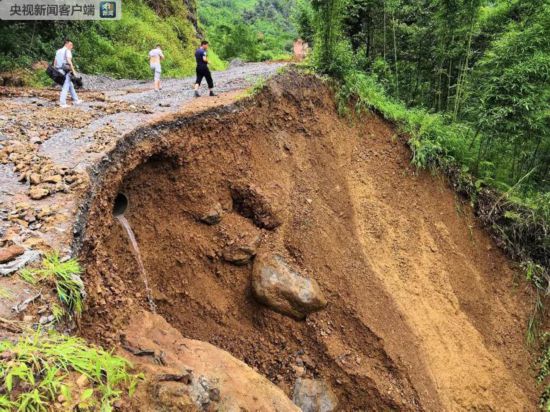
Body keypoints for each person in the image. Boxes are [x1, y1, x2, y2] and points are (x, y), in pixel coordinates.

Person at [54, 39, 82, 108]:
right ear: (66, 44)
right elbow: (69, 62)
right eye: (70, 45)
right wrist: (74, 71)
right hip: (65, 71)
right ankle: (62, 103)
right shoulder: (67, 51)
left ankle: (76, 100)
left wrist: (56, 70)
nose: (71, 46)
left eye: (72, 45)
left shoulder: (58, 51)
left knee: (70, 85)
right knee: (66, 86)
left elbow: (55, 62)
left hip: (59, 70)